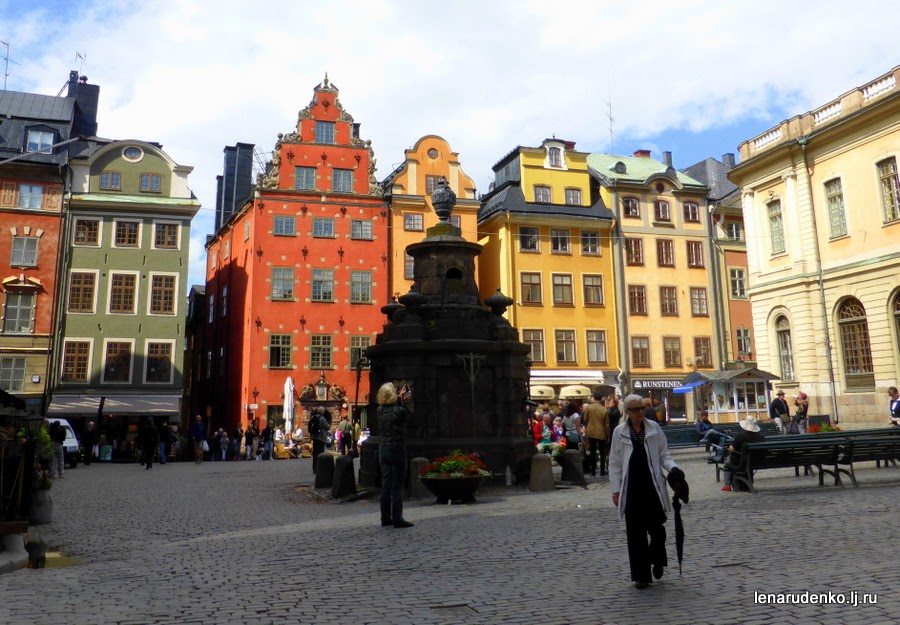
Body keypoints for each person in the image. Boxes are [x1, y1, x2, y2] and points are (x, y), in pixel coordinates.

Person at [609, 394, 685, 589]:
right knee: (636, 534)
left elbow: (663, 454)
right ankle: (641, 575)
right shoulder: (620, 432)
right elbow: (615, 463)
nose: (640, 413)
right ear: (627, 412)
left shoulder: (654, 428)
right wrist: (616, 490)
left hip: (652, 485)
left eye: (642, 408)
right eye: (635, 410)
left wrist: (673, 469)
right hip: (631, 487)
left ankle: (657, 559)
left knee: (658, 530)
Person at [376, 382, 413, 528]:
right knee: (397, 486)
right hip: (397, 448)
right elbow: (408, 416)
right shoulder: (399, 411)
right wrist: (405, 400)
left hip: (383, 448)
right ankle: (397, 518)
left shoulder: (379, 410)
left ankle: (385, 518)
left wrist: (399, 399)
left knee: (386, 485)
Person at [721, 416, 767, 491]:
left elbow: (731, 450)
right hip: (759, 461)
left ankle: (727, 484)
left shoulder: (741, 436)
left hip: (743, 462)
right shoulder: (761, 437)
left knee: (727, 460)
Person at [583, 392, 609, 476]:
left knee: (592, 451)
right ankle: (602, 470)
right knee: (602, 452)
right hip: (601, 431)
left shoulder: (589, 407)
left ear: (594, 398)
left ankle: (593, 471)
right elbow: (607, 424)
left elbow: (585, 418)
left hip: (591, 431)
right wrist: (608, 434)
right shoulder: (604, 409)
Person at [309, 407, 330, 473]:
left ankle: (314, 469)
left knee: (315, 454)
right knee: (320, 454)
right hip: (320, 438)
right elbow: (327, 427)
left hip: (314, 438)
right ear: (322, 412)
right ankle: (320, 468)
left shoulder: (313, 417)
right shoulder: (322, 418)